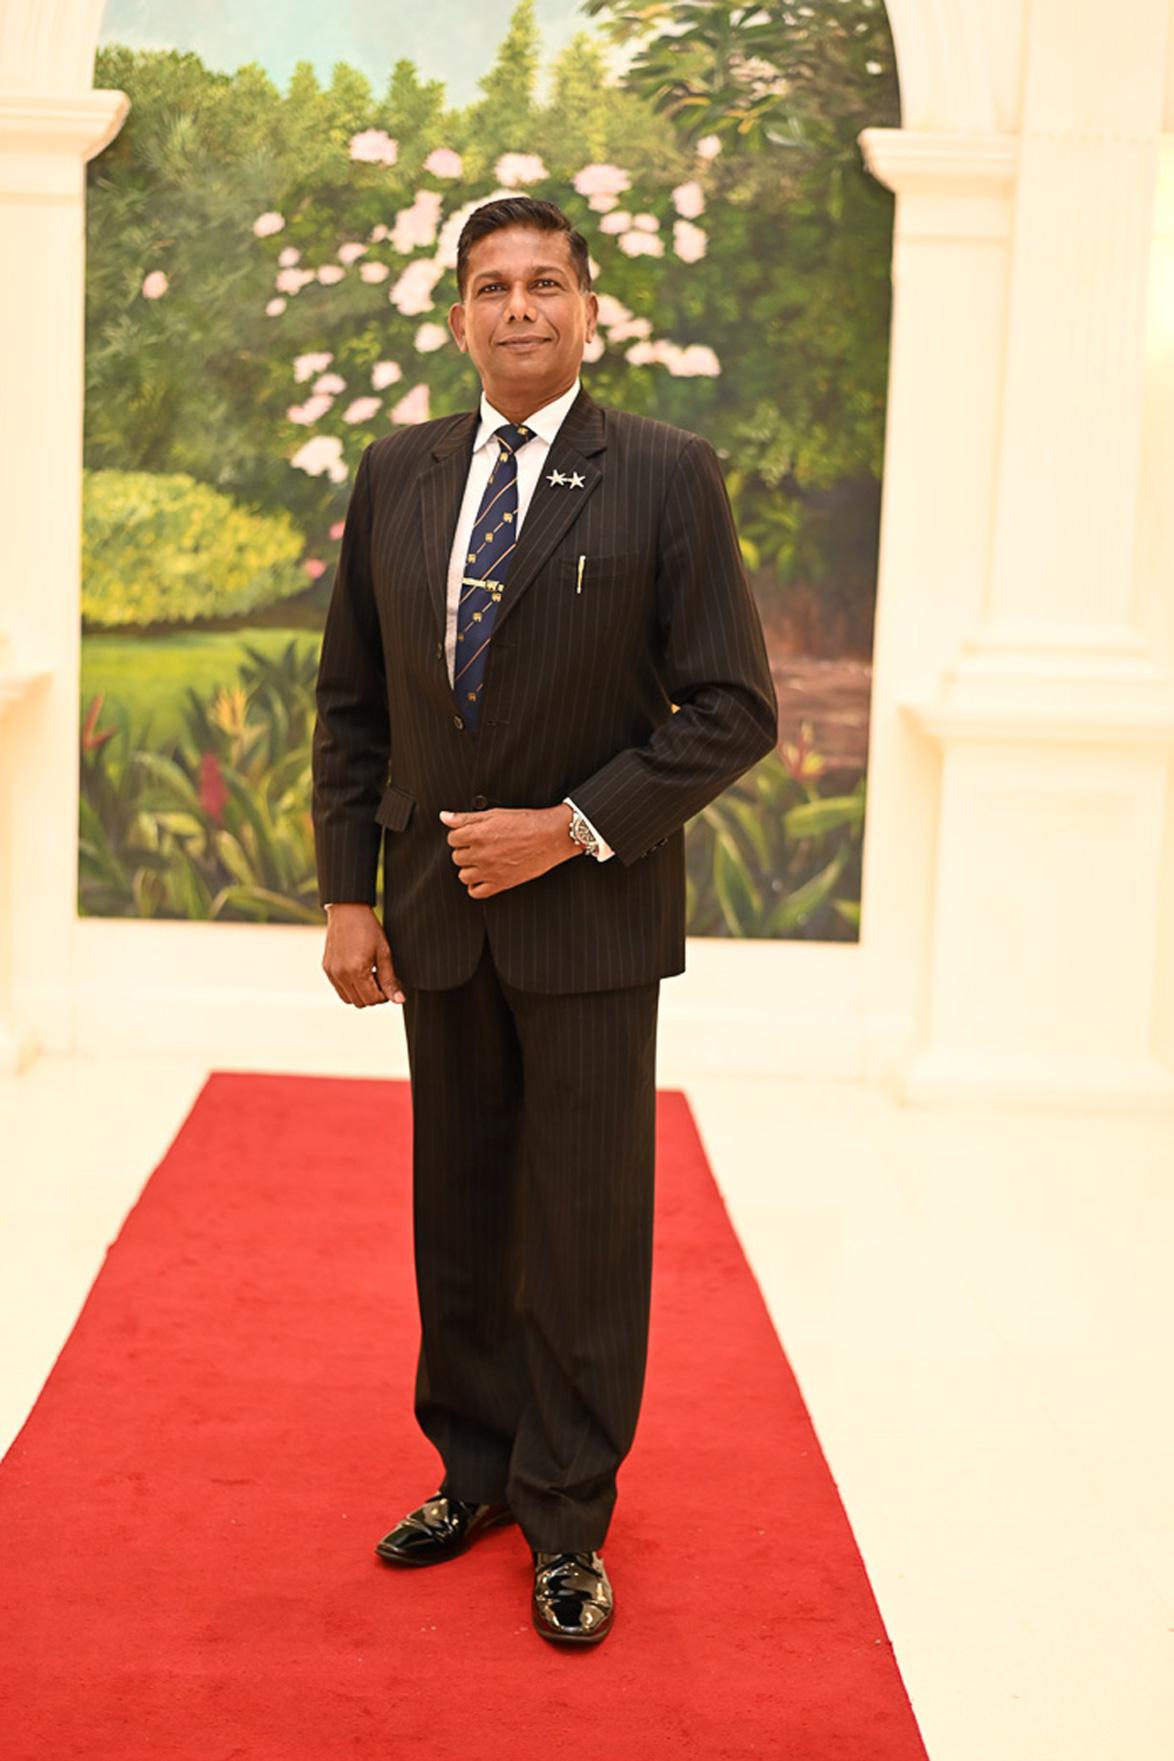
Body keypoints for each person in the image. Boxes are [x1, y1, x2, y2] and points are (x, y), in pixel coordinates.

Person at [311, 194, 778, 1647]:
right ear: (459, 316)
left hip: (589, 923)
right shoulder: (397, 471)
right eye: (493, 285)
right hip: (432, 917)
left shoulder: (664, 473)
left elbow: (733, 710)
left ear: (589, 310)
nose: (520, 306)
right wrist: (346, 893)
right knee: (457, 1217)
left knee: (580, 1229)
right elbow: (352, 705)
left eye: (546, 283)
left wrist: (568, 826)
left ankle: (568, 1515)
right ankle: (475, 1473)